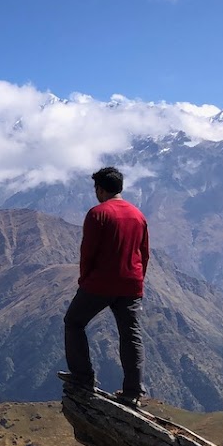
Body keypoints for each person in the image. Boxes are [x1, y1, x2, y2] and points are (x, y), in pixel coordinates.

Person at [61, 166, 150, 408]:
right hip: (131, 284)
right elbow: (144, 254)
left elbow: (87, 252)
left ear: (100, 189)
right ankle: (133, 392)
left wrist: (85, 279)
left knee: (74, 322)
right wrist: (138, 280)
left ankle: (83, 378)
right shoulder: (138, 215)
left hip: (100, 283)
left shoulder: (98, 214)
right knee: (130, 335)